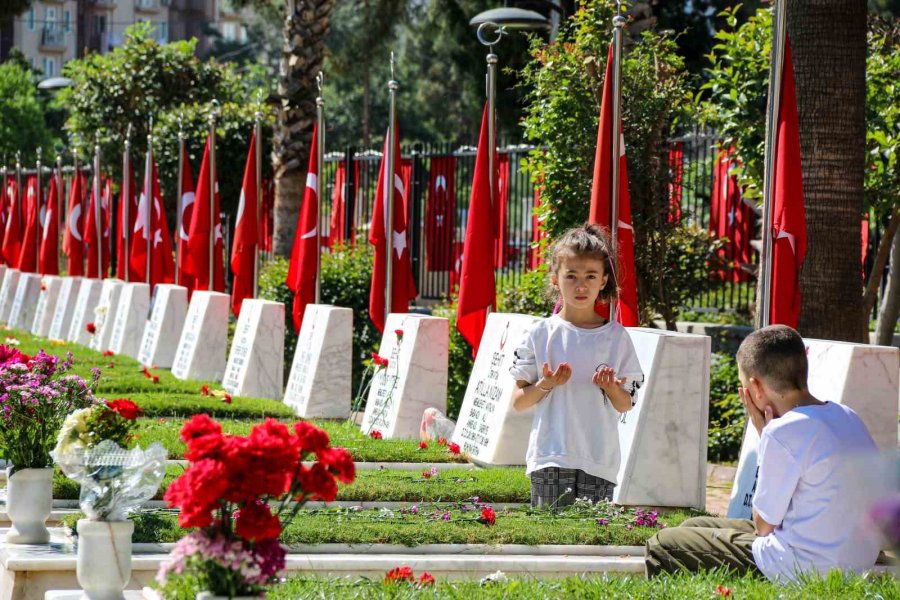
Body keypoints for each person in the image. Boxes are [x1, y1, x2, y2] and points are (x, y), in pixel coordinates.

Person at [645, 325, 881, 583]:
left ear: (756, 387)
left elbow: (763, 526)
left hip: (802, 567)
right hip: (853, 558)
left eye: (743, 386)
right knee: (691, 528)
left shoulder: (783, 431)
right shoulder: (847, 415)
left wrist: (764, 438)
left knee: (663, 543)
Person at [509, 223, 644, 509]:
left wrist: (610, 387)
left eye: (590, 276)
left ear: (604, 280)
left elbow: (625, 405)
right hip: (549, 456)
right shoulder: (540, 334)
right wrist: (546, 384)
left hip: (599, 459)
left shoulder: (617, 337)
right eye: (571, 275)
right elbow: (519, 402)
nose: (581, 285)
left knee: (590, 541)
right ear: (556, 279)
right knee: (549, 539)